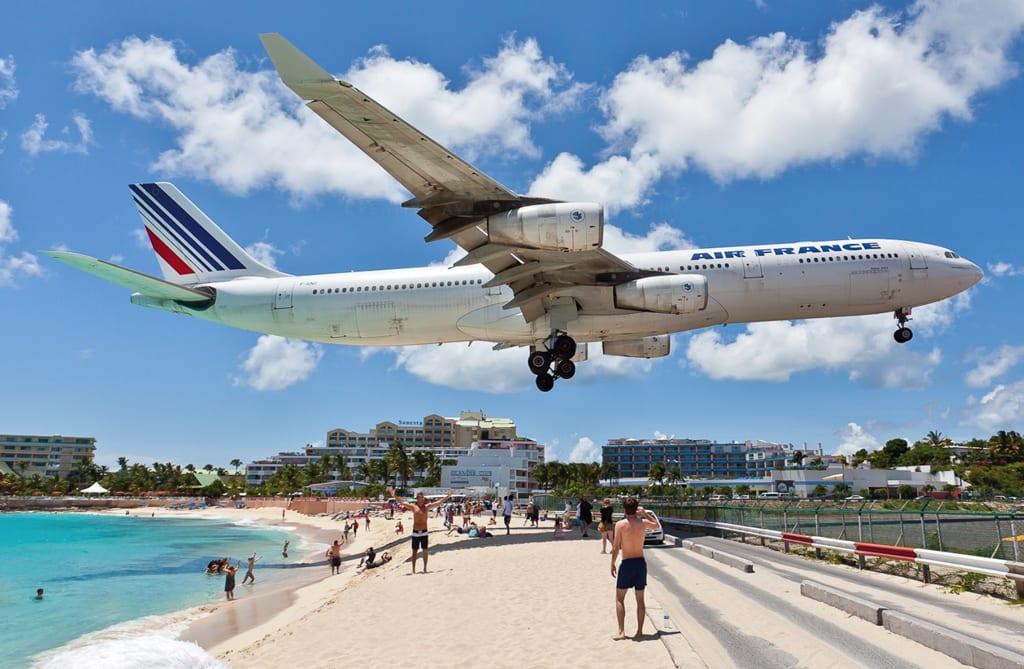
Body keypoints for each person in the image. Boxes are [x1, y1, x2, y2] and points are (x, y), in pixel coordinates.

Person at [610, 497, 661, 640]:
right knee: (640, 600)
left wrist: (612, 563)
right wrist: (645, 513)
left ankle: (621, 632)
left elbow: (616, 547)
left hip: (627, 563)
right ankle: (639, 632)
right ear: (636, 508)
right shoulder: (643, 523)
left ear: (624, 509)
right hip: (640, 563)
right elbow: (657, 525)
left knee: (619, 598)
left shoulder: (620, 525)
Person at [388, 487, 452, 573]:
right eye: (420, 498)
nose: (422, 499)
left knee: (425, 550)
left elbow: (438, 503)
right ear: (417, 499)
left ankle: (425, 568)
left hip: (424, 532)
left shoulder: (427, 507)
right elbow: (402, 502)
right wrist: (394, 495)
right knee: (414, 551)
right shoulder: (413, 507)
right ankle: (413, 570)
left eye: (423, 498)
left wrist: (448, 496)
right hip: (415, 532)